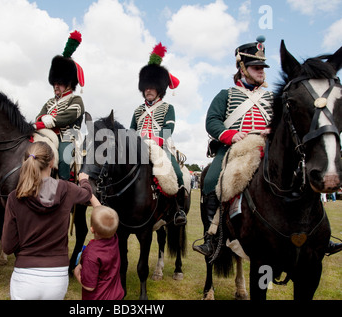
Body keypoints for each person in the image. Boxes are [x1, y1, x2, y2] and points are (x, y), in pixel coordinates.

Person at [193, 36, 341, 257]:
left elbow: (287, 120)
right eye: (256, 67)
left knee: (303, 175)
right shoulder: (226, 95)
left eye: (263, 67)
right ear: (242, 68)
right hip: (236, 147)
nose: (261, 71)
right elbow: (212, 121)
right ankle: (214, 236)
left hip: (269, 146)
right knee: (212, 180)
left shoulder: (274, 96)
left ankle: (320, 235)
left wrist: (272, 130)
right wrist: (232, 135)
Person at [1, 141, 99, 300]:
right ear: (52, 162)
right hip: (57, 277)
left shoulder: (14, 197)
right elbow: (87, 194)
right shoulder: (67, 188)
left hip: (24, 276)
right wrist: (84, 180)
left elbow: (7, 246)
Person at [129, 42, 186, 226]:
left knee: (176, 173)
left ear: (160, 88)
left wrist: (151, 140)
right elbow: (131, 131)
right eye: (146, 87)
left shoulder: (168, 108)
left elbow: (168, 130)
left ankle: (178, 210)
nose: (148, 90)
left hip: (159, 146)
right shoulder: (138, 110)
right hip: (137, 147)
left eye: (152, 87)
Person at [34, 30, 85, 181]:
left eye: (60, 82)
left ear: (69, 83)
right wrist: (44, 119)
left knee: (64, 157)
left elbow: (68, 117)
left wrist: (52, 120)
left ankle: (64, 187)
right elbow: (39, 117)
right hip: (47, 134)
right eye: (55, 82)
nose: (56, 86)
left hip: (68, 135)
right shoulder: (49, 102)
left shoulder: (76, 100)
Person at [74, 205, 124, 300]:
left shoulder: (91, 254)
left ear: (92, 229)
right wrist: (91, 196)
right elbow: (100, 209)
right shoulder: (114, 239)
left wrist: (77, 274)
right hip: (116, 295)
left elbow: (89, 286)